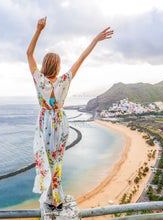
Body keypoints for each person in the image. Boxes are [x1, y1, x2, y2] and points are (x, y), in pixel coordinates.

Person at [26, 16, 114, 211]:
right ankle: (55, 196)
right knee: (57, 160)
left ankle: (49, 195)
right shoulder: (64, 80)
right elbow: (82, 57)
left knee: (45, 158)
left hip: (45, 122)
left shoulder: (39, 80)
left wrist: (38, 30)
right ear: (57, 66)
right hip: (59, 122)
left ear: (44, 65)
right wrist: (95, 40)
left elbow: (29, 53)